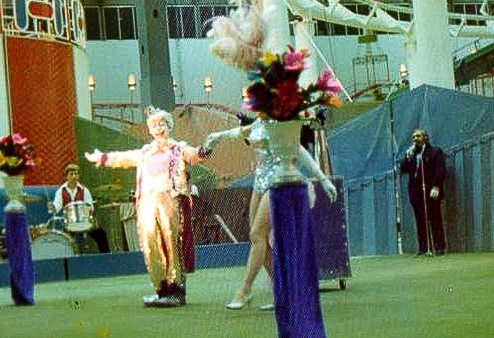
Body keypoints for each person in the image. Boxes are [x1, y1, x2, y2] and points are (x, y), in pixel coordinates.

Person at [204, 116, 337, 310]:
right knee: (259, 239)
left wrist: (323, 179)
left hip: (278, 182)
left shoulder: (280, 124)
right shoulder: (259, 124)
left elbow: (299, 152)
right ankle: (281, 292)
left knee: (256, 233)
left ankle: (245, 289)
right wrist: (217, 136)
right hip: (259, 183)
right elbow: (240, 132)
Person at [85, 106, 210, 307]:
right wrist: (103, 158)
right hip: (147, 203)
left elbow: (195, 155)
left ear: (169, 126)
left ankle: (176, 291)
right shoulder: (145, 152)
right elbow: (123, 158)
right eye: (154, 125)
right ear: (149, 129)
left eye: (162, 124)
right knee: (150, 244)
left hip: (171, 200)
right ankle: (160, 290)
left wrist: (205, 150)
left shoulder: (178, 149)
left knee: (172, 243)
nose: (158, 128)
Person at [399, 129, 447, 255]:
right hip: (416, 192)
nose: (415, 139)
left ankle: (439, 247)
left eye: (418, 136)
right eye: (413, 137)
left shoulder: (435, 151)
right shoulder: (412, 153)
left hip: (431, 190)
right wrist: (407, 157)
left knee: (435, 218)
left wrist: (437, 186)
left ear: (425, 137)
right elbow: (403, 169)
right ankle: (423, 248)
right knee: (420, 220)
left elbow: (440, 169)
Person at [50, 163, 110, 253]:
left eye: (76, 174)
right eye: (71, 174)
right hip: (69, 224)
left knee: (101, 234)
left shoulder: (84, 189)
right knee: (63, 240)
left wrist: (86, 215)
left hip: (84, 221)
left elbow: (90, 206)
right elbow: (57, 207)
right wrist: (52, 207)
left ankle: (107, 257)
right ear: (66, 176)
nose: (74, 176)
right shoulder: (61, 191)